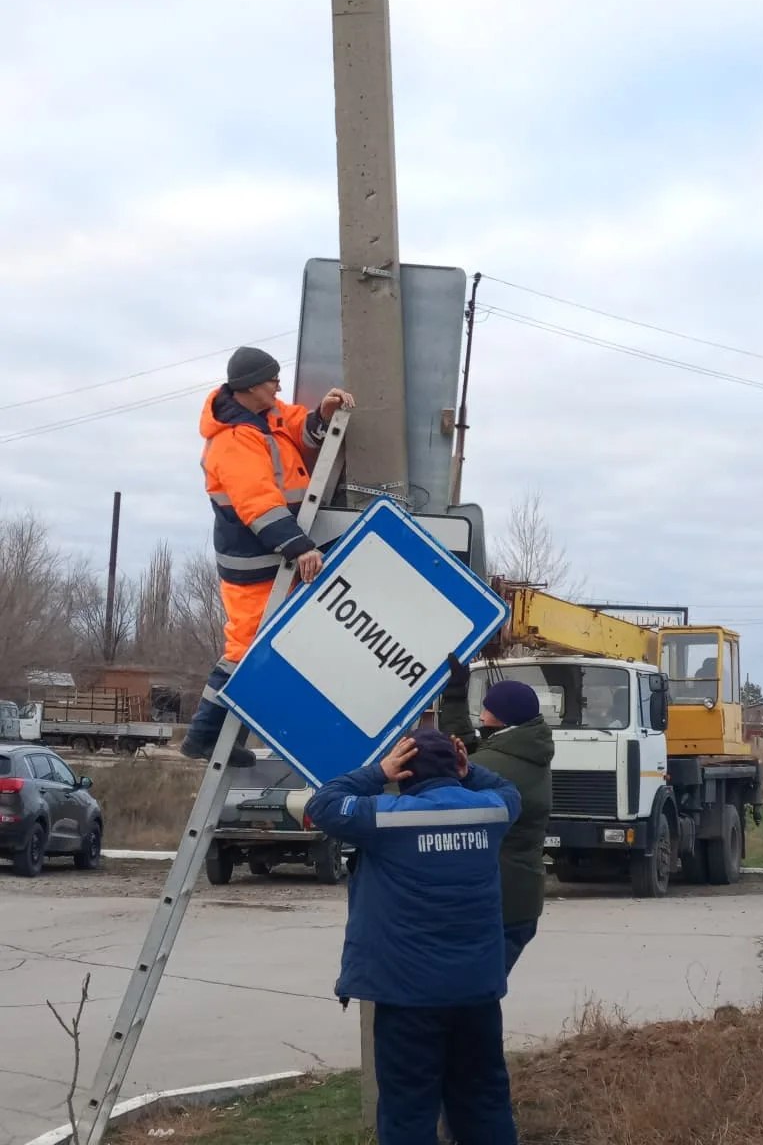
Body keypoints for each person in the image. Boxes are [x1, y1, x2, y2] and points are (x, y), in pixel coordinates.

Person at [306, 729, 522, 1145]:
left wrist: (377, 770)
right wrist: (470, 770)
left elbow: (324, 803)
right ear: (455, 770)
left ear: (404, 773)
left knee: (408, 1111)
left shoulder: (387, 818)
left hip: (408, 998)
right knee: (485, 1102)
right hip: (476, 993)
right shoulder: (492, 812)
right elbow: (509, 789)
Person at [181, 346, 354, 766]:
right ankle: (203, 737)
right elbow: (258, 505)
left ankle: (223, 735)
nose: (279, 385)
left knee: (270, 646)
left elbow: (296, 425)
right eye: (272, 379)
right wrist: (300, 547)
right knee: (243, 650)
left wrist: (322, 416)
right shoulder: (233, 442)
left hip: (272, 558)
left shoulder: (265, 415)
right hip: (254, 564)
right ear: (250, 387)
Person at [440, 659, 554, 974]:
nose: (482, 711)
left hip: (499, 900)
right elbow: (464, 744)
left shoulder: (498, 764)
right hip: (519, 899)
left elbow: (455, 770)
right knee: (478, 991)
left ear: (501, 717)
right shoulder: (522, 751)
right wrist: (454, 694)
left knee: (474, 994)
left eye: (488, 706)